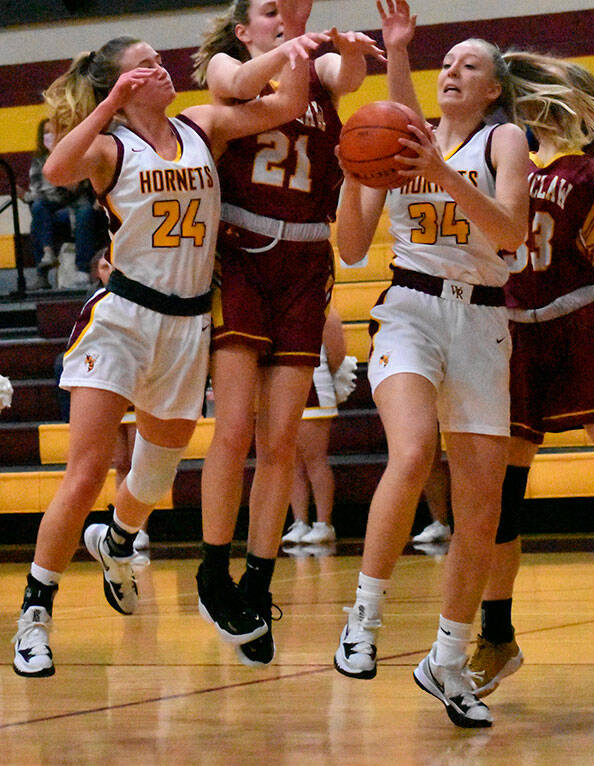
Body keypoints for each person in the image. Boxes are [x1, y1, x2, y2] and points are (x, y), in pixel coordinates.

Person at [11, 26, 326, 677]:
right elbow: (55, 170)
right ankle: (35, 615)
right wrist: (107, 103)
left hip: (186, 331)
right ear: (122, 86)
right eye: (145, 66)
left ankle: (119, 538)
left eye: (158, 61)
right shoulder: (108, 147)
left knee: (151, 481)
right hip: (123, 319)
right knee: (87, 470)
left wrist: (294, 47)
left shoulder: (200, 125)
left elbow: (285, 109)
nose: (161, 69)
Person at [332, 0, 530, 729]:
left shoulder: (504, 140)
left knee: (480, 508)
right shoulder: (398, 140)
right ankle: (364, 618)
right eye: (445, 64)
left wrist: (442, 175)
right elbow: (352, 250)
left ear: (491, 91)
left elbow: (509, 233)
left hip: (481, 318)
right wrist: (356, 175)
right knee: (413, 450)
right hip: (410, 308)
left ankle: (448, 660)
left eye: (467, 65)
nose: (452, 71)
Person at [191, 0, 384, 669]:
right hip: (241, 254)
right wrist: (295, 41)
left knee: (280, 440)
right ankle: (212, 570)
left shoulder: (320, 72)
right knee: (236, 427)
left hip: (305, 262)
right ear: (246, 30)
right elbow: (252, 84)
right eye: (268, 10)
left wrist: (354, 53)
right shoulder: (229, 68)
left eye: (287, 8)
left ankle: (258, 578)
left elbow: (348, 77)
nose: (282, 15)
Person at [468, 55, 594, 700]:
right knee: (500, 504)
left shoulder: (588, 166)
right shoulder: (505, 155)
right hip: (510, 334)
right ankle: (498, 635)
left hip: (577, 328)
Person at [281, 305, 357, 546]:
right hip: (286, 387)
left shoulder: (325, 308)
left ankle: (324, 523)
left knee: (314, 458)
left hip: (316, 385)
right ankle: (300, 522)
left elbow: (337, 354)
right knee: (292, 461)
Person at [20, 118, 103, 290]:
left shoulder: (75, 156)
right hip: (53, 209)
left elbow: (73, 188)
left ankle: (82, 269)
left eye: (52, 132)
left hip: (77, 206)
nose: (49, 136)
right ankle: (47, 256)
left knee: (85, 211)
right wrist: (24, 195)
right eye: (45, 133)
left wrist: (58, 161)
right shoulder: (38, 161)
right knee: (38, 209)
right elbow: (38, 193)